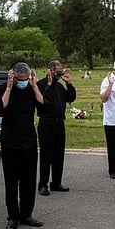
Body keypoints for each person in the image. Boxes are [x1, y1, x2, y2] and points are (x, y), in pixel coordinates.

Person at [0, 62, 44, 229]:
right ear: (13, 76)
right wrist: (8, 88)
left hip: (29, 141)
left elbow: (43, 107)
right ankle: (13, 216)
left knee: (29, 181)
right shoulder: (2, 88)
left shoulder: (30, 88)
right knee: (11, 181)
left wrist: (35, 86)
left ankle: (26, 214)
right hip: (10, 142)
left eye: (25, 79)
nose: (23, 82)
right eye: (20, 79)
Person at [37, 60, 76, 196]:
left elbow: (71, 97)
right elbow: (42, 103)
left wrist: (68, 83)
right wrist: (48, 86)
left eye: (61, 72)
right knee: (46, 155)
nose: (59, 75)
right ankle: (43, 184)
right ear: (50, 71)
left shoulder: (59, 86)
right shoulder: (41, 85)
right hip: (47, 123)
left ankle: (56, 182)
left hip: (59, 123)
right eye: (57, 72)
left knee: (59, 154)